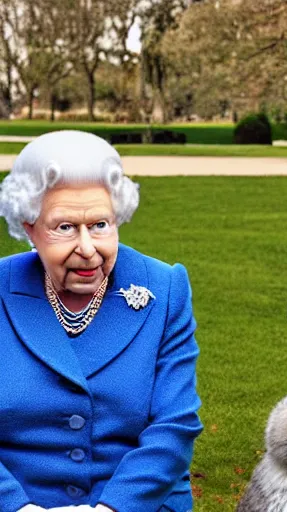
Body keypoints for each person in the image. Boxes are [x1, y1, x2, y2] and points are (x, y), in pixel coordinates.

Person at [0, 130, 203, 512]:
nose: (88, 249)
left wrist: (112, 509)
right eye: (65, 228)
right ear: (29, 227)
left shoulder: (166, 288)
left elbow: (175, 426)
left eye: (100, 225)